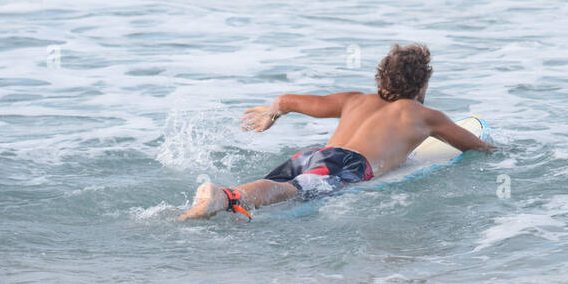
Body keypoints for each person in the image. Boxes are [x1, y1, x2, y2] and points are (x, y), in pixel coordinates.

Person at [179, 43, 493, 220]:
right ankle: (225, 195)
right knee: (293, 191)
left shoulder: (353, 100)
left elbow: (288, 100)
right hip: (348, 164)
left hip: (313, 155)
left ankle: (223, 199)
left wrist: (273, 111)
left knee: (279, 185)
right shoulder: (426, 116)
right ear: (422, 84)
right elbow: (477, 146)